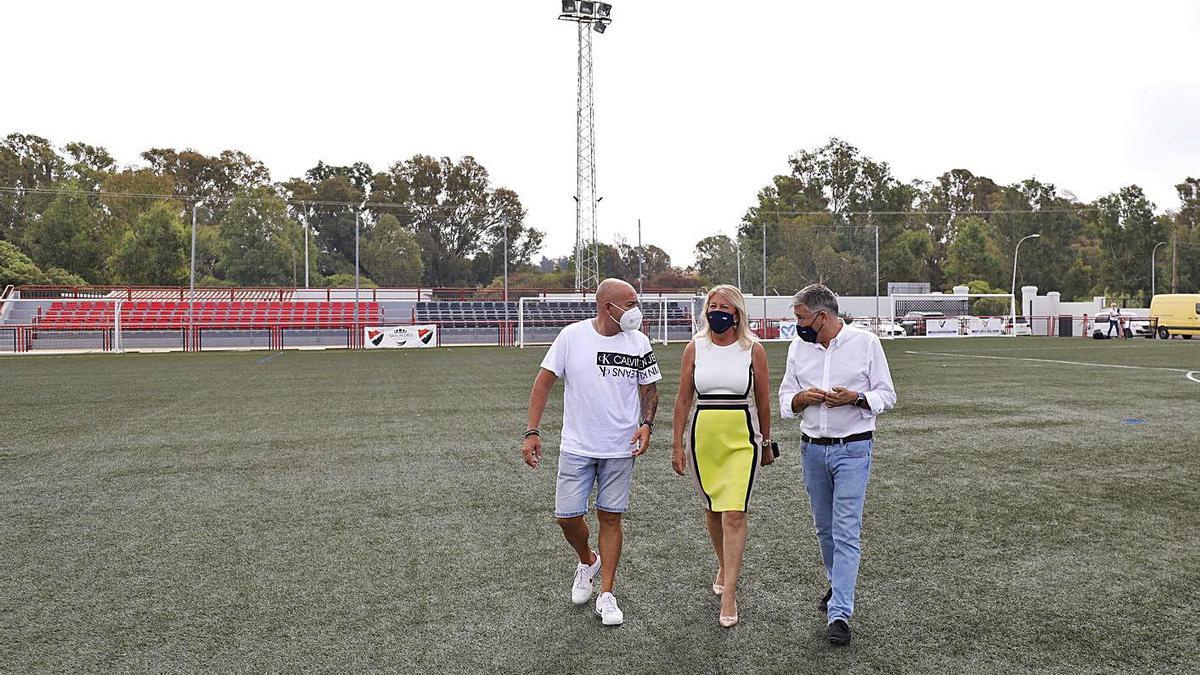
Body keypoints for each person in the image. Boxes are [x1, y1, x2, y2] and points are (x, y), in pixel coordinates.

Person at [522, 278, 661, 627]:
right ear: (607, 307)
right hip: (577, 447)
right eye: (629, 304)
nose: (635, 310)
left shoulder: (640, 342)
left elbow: (650, 389)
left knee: (610, 517)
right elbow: (543, 383)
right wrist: (532, 431)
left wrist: (647, 424)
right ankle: (587, 560)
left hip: (620, 448)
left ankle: (607, 594)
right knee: (566, 517)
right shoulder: (572, 337)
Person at [778, 284, 896, 646]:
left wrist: (856, 398)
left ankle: (840, 613)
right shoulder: (798, 347)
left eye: (800, 317)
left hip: (853, 450)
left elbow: (887, 395)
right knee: (825, 530)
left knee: (847, 531)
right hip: (812, 450)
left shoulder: (866, 343)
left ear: (822, 317)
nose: (796, 324)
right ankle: (838, 583)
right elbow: (785, 400)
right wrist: (802, 398)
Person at [670, 285, 774, 627]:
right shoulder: (694, 347)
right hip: (703, 438)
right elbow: (684, 400)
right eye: (712, 305)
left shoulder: (753, 349)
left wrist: (767, 441)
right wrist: (676, 443)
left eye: (724, 306)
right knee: (713, 511)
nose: (717, 311)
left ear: (737, 313)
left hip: (742, 437)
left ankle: (729, 594)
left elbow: (763, 401)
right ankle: (724, 564)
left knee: (734, 514)